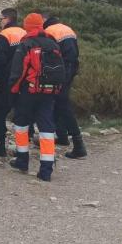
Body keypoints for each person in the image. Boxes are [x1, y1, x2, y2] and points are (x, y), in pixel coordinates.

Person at [8, 13, 62, 181]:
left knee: (21, 124)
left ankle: (22, 160)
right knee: (46, 128)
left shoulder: (26, 44)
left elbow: (18, 71)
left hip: (29, 91)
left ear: (27, 26)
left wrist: (13, 90)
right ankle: (46, 169)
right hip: (49, 92)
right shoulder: (53, 44)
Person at [43, 15, 86, 158]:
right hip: (72, 67)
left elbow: (50, 55)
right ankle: (61, 136)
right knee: (59, 101)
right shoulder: (67, 28)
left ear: (44, 21)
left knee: (62, 103)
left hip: (61, 69)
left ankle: (78, 144)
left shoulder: (49, 31)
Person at [0, 8, 27, 156]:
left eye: (2, 18)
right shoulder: (24, 33)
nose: (1, 21)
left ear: (8, 19)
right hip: (24, 80)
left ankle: (0, 144)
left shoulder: (5, 34)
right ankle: (22, 146)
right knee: (21, 112)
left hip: (7, 80)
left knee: (0, 112)